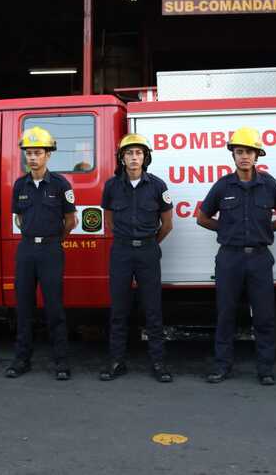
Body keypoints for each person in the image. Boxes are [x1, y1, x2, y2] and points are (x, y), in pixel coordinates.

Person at [197, 126, 276, 385]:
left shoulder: (269, 185)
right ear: (233, 155)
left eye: (249, 151)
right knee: (226, 314)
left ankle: (265, 369)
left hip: (260, 258)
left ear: (257, 155)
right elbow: (202, 218)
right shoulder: (223, 186)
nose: (244, 156)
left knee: (264, 315)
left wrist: (265, 230)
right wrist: (227, 230)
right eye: (239, 151)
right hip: (230, 258)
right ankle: (222, 366)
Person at [99, 134, 174, 383]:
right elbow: (108, 220)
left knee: (152, 310)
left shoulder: (158, 186)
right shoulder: (111, 186)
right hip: (121, 252)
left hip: (147, 251)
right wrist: (127, 241)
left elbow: (167, 224)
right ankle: (116, 362)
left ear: (145, 157)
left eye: (139, 153)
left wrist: (148, 243)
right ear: (122, 158)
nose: (134, 157)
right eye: (129, 153)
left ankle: (158, 363)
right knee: (119, 310)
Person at [6, 126, 77, 380]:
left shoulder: (60, 184)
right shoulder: (19, 184)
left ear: (48, 156)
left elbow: (71, 220)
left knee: (54, 308)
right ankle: (21, 360)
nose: (32, 157)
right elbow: (18, 218)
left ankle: (61, 363)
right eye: (29, 153)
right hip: (26, 250)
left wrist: (54, 239)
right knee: (23, 307)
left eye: (37, 153)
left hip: (50, 250)